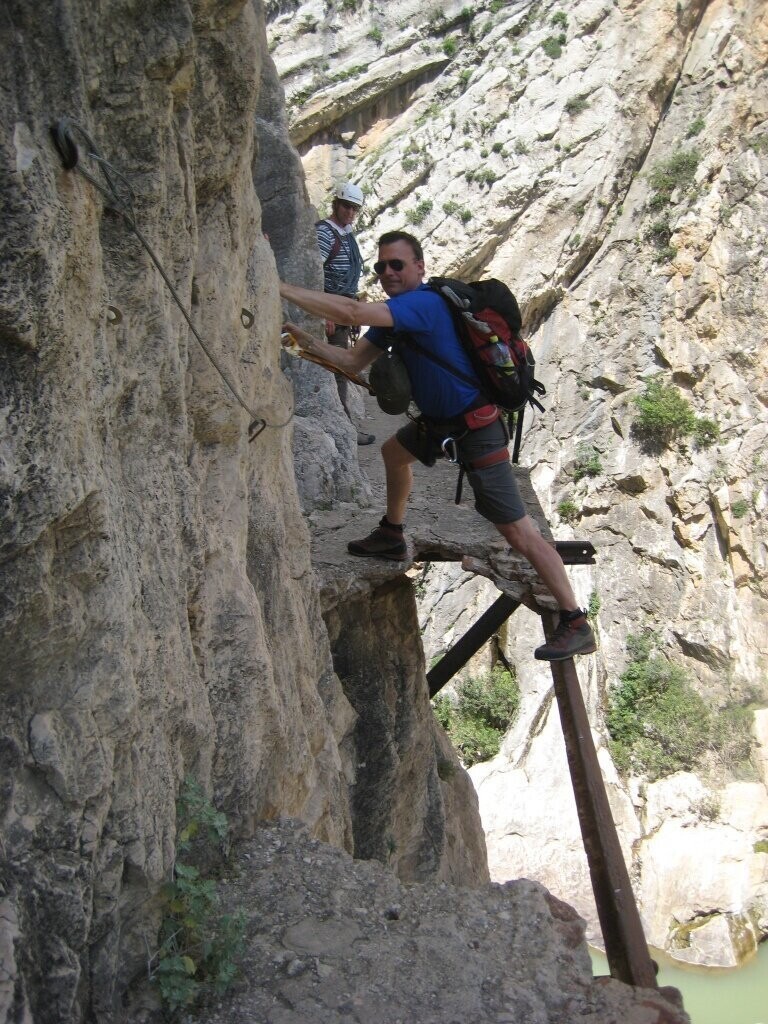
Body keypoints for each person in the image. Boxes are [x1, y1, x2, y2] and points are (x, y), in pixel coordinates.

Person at [279, 230, 596, 662]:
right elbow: (352, 362)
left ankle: (575, 620)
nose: (387, 272)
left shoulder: (423, 305)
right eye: (380, 266)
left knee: (517, 530)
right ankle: (392, 533)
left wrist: (277, 287)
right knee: (394, 453)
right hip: (440, 423)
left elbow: (352, 309)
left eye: (397, 264)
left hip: (475, 427)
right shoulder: (397, 319)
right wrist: (294, 340)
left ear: (419, 268)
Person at [316, 182, 374, 446]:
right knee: (339, 368)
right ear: (336, 205)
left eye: (355, 208)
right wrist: (325, 313)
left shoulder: (346, 233)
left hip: (344, 310)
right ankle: (344, 429)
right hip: (332, 310)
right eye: (347, 206)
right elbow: (315, 273)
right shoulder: (325, 234)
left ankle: (344, 425)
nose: (351, 212)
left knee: (342, 367)